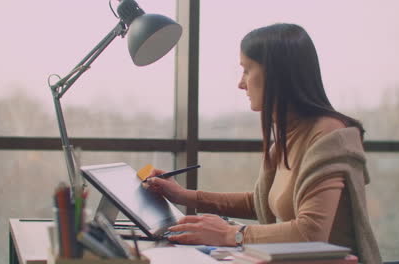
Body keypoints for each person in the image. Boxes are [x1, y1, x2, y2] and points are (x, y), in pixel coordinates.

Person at [142, 23, 382, 264]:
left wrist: (230, 234)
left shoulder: (330, 137)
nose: (241, 83)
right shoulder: (288, 136)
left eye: (247, 70)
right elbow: (259, 202)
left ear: (276, 74)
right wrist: (184, 195)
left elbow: (310, 232)